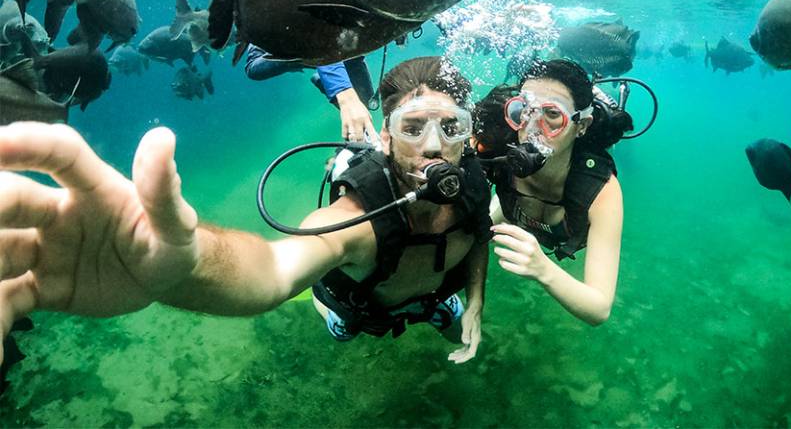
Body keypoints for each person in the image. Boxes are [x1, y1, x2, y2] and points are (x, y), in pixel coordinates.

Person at [0, 56, 490, 365]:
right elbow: (272, 272)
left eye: (451, 127)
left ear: (468, 137)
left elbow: (479, 237)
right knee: (342, 329)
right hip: (360, 310)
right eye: (412, 127)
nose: (432, 146)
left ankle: (441, 309)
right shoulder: (355, 222)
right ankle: (330, 311)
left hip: (430, 298)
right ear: (384, 137)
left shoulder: (473, 186)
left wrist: (475, 301)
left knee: (447, 314)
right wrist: (184, 266)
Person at [473, 58, 631, 325]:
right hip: (512, 207)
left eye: (552, 115)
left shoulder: (600, 190)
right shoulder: (497, 150)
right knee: (478, 229)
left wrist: (542, 269)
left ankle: (614, 99)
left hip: (566, 215)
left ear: (581, 126)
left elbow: (599, 308)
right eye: (525, 110)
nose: (533, 128)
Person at [245, 44, 377, 142]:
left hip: (348, 52)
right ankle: (300, 57)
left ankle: (360, 148)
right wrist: (344, 95)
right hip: (290, 30)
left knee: (364, 105)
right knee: (254, 69)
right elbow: (321, 35)